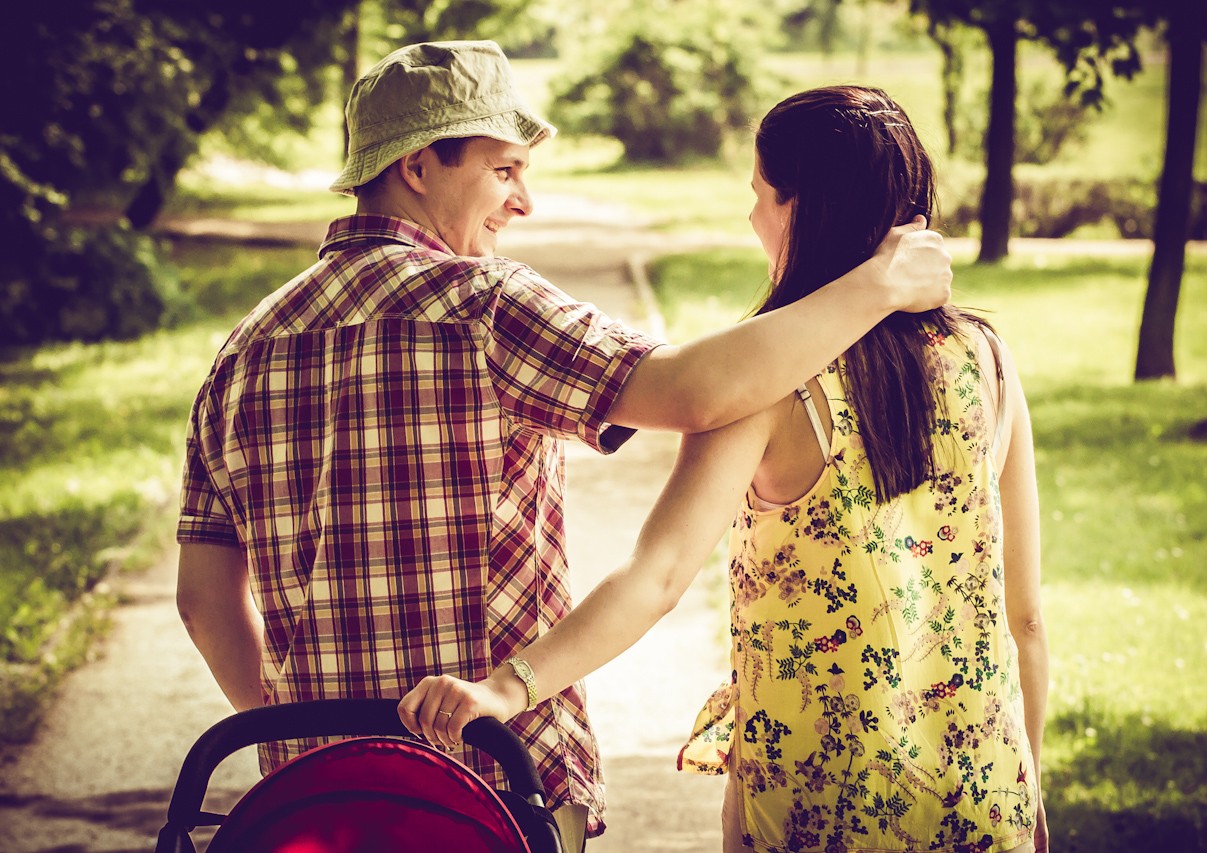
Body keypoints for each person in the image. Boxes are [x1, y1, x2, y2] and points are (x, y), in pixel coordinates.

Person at [175, 41, 952, 852]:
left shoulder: (241, 351)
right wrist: (880, 284)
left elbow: (204, 600)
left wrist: (307, 735)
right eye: (504, 170)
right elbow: (691, 389)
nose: (524, 203)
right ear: (415, 166)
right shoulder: (484, 306)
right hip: (490, 782)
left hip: (311, 806)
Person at [401, 83, 1049, 853]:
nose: (751, 217)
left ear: (796, 208)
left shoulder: (765, 383)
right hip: (984, 795)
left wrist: (508, 686)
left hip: (819, 808)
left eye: (757, 195)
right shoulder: (988, 362)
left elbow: (660, 574)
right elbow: (1027, 617)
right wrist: (1028, 788)